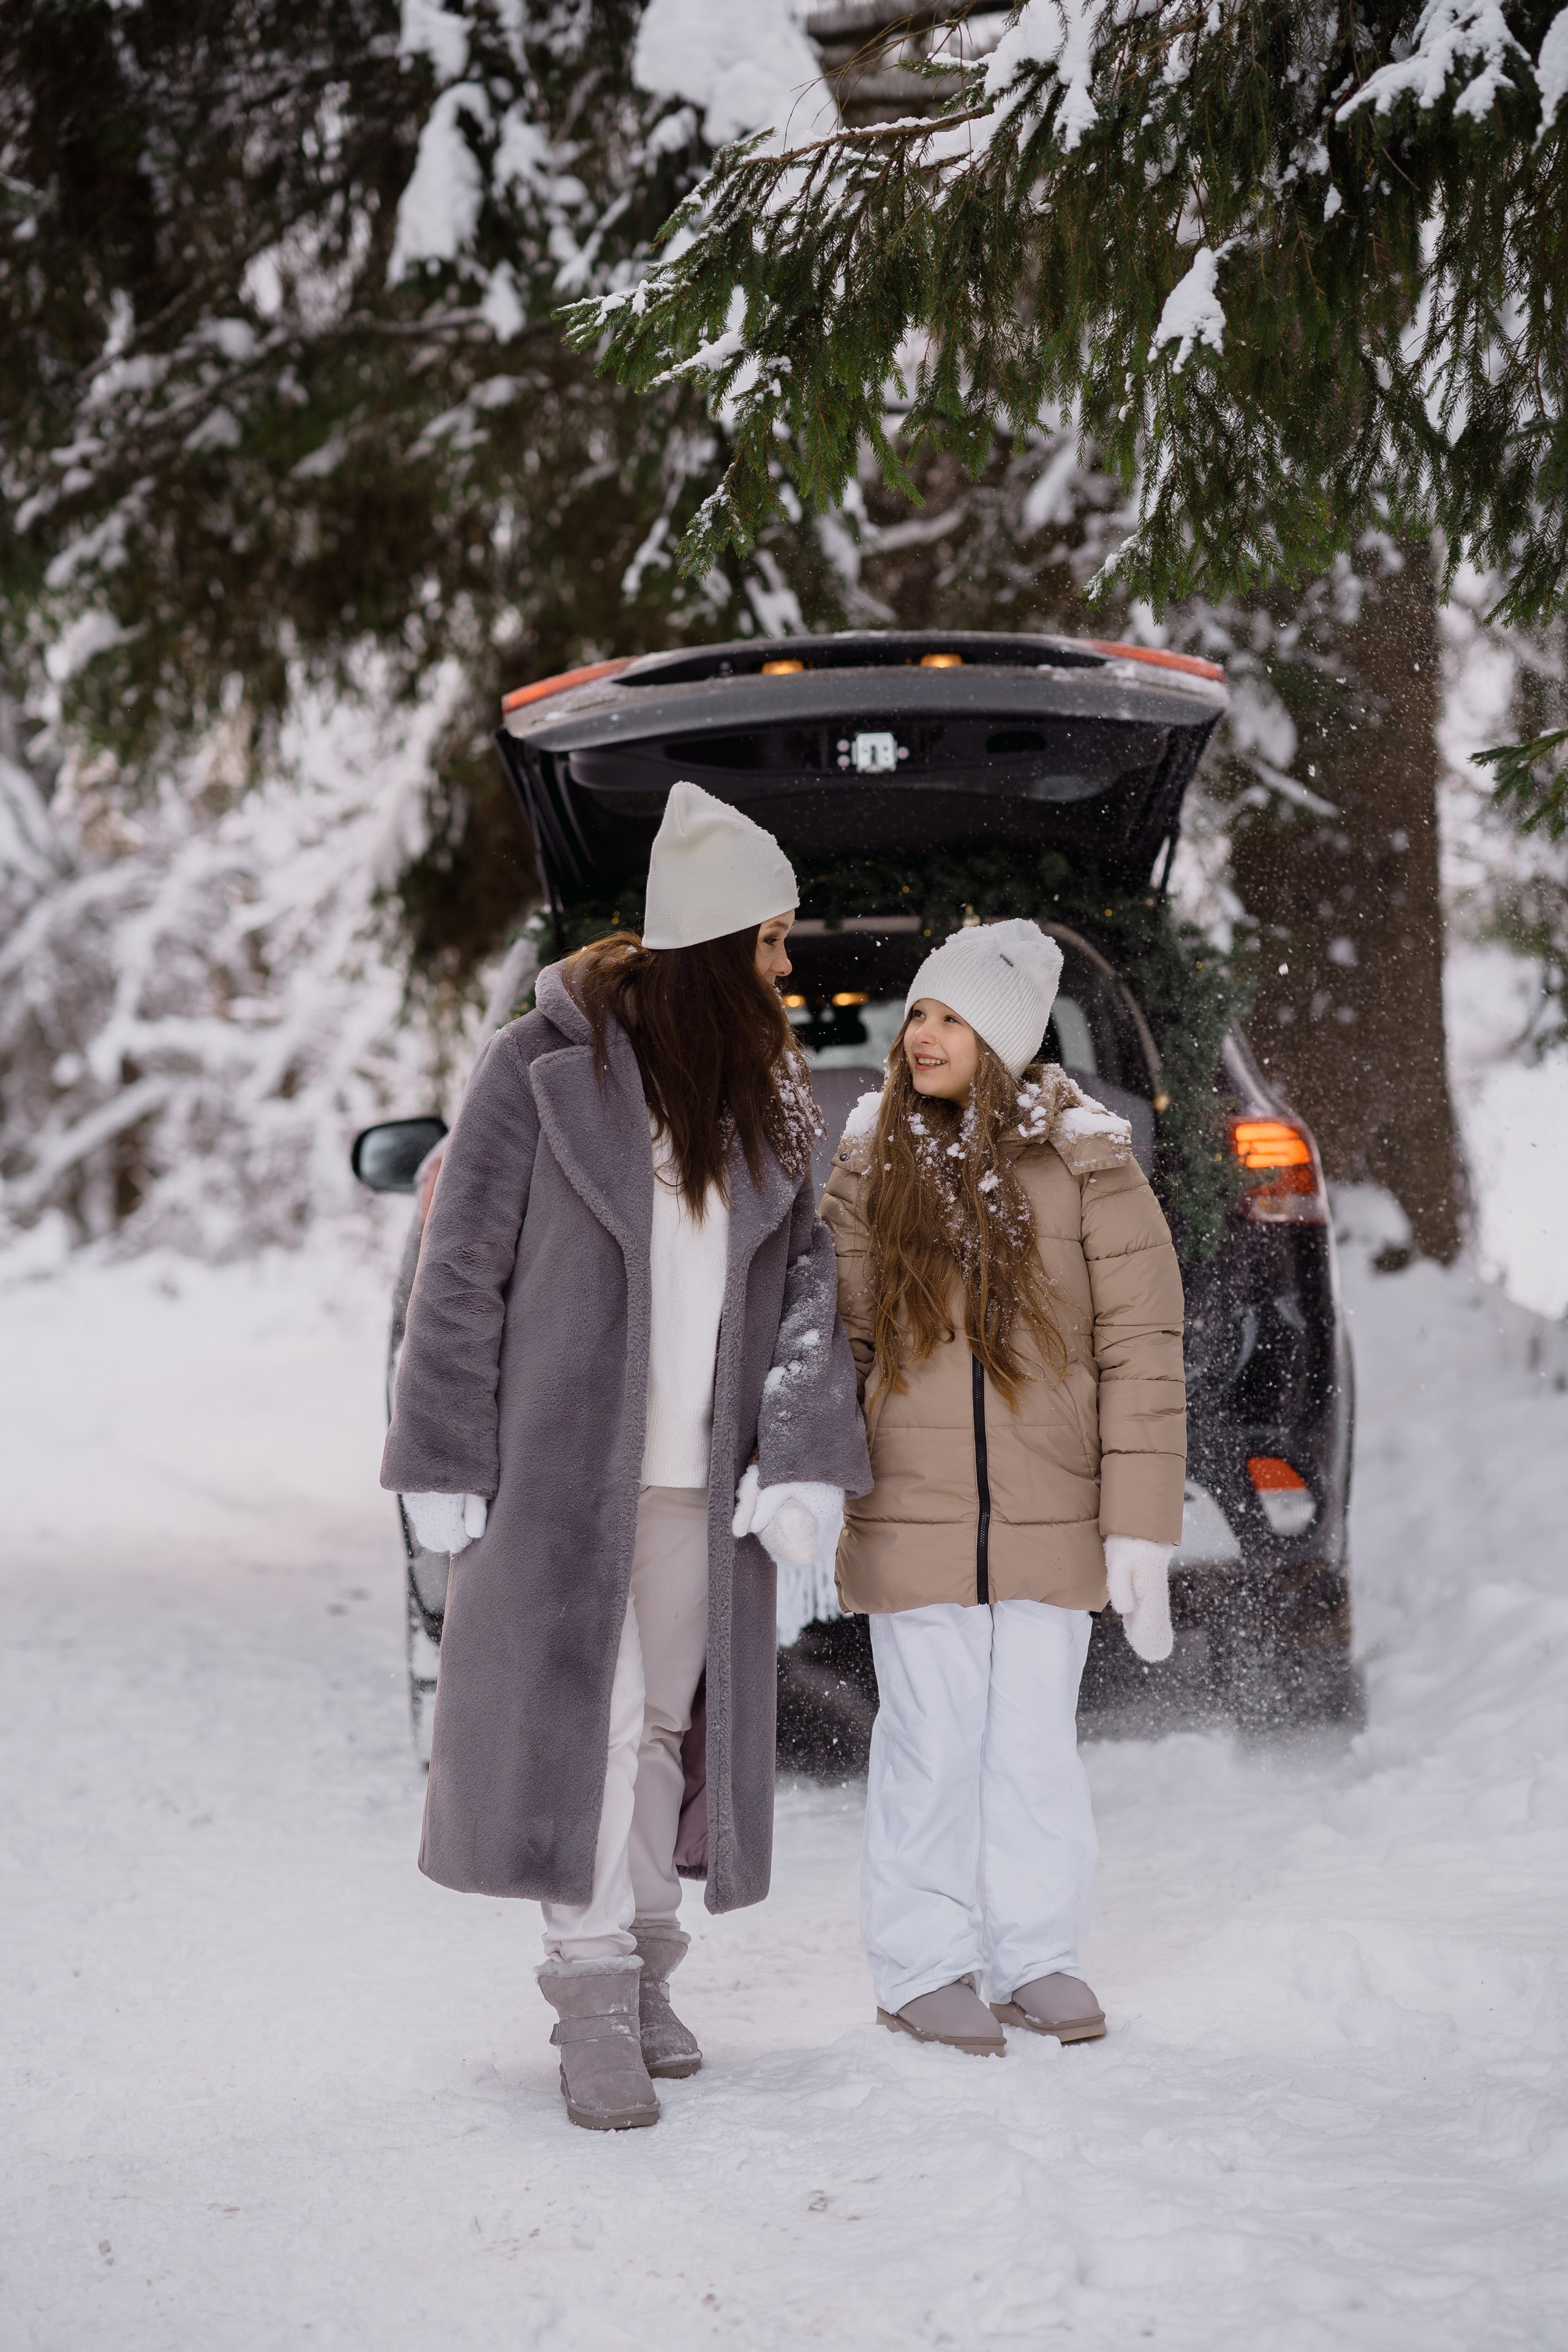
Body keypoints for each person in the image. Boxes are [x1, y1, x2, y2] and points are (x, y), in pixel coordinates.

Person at [382, 780, 871, 2130]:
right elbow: (459, 1268)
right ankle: (589, 1991)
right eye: (770, 940)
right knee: (592, 1729)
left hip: (696, 1486)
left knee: (664, 1724)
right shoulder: (536, 1068)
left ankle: (650, 1961)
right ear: (717, 944)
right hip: (556, 1472)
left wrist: (802, 1453)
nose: (786, 964)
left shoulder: (765, 1096)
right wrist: (439, 1451)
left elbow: (807, 1291)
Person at [819, 918, 1185, 2057]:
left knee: (1031, 1741)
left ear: (1009, 1036)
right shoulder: (872, 1154)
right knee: (933, 1741)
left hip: (1052, 1507)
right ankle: (923, 1965)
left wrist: (1138, 1525)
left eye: (950, 1016)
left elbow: (1142, 1348)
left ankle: (1037, 1953)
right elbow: (839, 1341)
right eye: (918, 1012)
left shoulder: (1091, 1161)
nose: (920, 1034)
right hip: (913, 1504)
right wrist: (823, 1485)